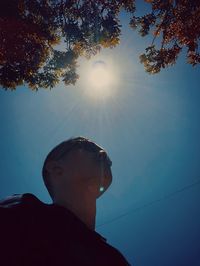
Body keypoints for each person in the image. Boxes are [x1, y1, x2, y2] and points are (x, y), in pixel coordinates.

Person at [0, 136, 130, 266]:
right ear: (56, 169)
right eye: (85, 146)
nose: (103, 155)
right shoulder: (25, 211)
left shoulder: (113, 258)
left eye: (108, 159)